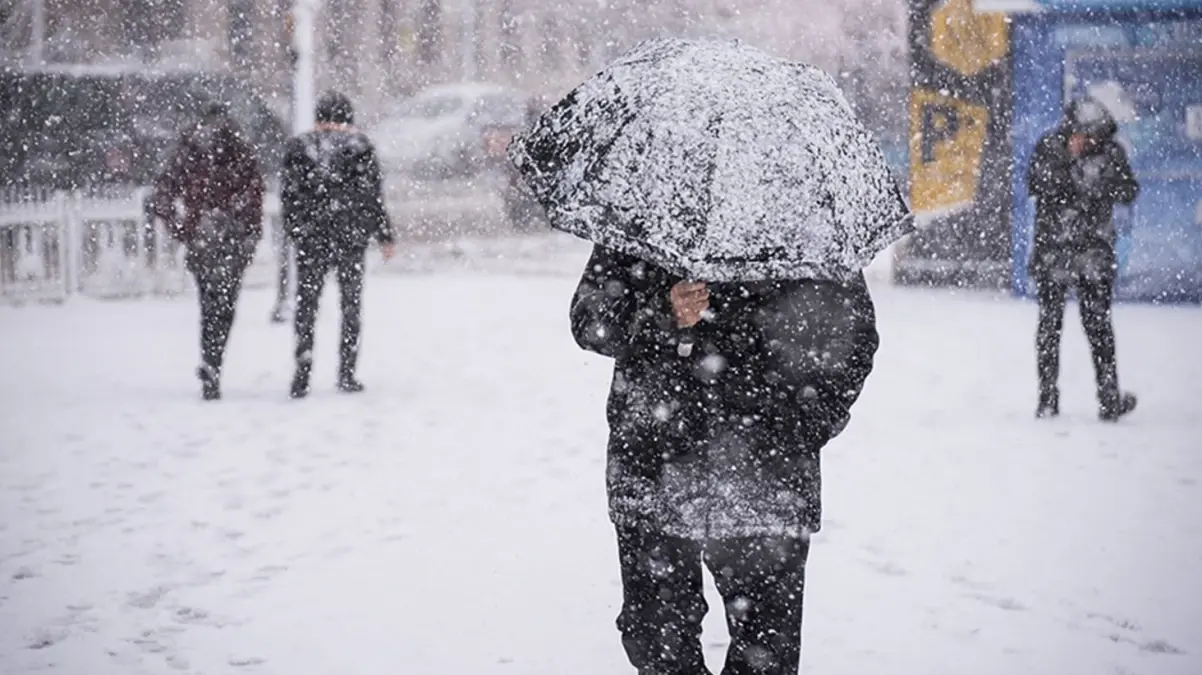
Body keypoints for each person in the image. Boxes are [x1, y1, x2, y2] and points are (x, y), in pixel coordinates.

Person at [570, 246, 879, 675]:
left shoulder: (803, 222)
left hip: (767, 476)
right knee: (657, 641)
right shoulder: (650, 210)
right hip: (655, 466)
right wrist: (663, 311)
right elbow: (590, 321)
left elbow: (853, 337)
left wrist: (803, 425)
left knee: (767, 649)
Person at [1027, 97, 1140, 421]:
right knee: (1050, 327)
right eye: (1080, 135)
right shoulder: (1050, 147)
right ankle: (1047, 398)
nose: (1084, 142)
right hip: (1055, 250)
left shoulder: (1110, 153)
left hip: (1093, 252)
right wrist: (1074, 169)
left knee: (1098, 327)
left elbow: (1128, 190)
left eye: (1092, 138)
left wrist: (1096, 176)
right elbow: (1037, 184)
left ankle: (1108, 399)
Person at [281, 91, 396, 399]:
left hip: (312, 239)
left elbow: (289, 197)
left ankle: (302, 369)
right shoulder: (359, 148)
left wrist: (297, 231)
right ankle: (346, 371)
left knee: (307, 305)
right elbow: (372, 197)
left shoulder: (299, 147)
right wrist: (383, 234)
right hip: (350, 239)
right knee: (350, 306)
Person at [150, 102, 264, 401]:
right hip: (233, 236)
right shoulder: (240, 151)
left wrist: (182, 228)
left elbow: (162, 194)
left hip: (202, 236)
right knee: (226, 305)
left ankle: (210, 360)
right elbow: (254, 197)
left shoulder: (190, 151)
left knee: (209, 303)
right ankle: (215, 360)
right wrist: (251, 233)